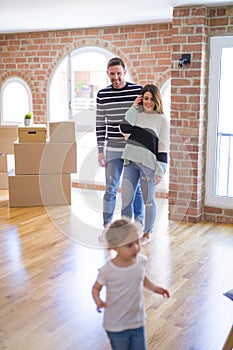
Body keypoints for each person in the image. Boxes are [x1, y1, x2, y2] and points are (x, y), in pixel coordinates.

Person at [92, 218, 170, 350]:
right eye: (129, 245)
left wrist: (156, 288)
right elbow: (96, 288)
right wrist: (98, 301)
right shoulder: (108, 270)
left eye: (137, 242)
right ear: (115, 246)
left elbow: (142, 279)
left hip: (137, 321)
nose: (136, 247)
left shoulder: (141, 262)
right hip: (116, 325)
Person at [96, 57, 144, 239]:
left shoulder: (137, 91)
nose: (115, 77)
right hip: (113, 149)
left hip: (134, 149)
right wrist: (101, 150)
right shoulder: (102, 94)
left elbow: (143, 120)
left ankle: (137, 228)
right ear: (107, 74)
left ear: (124, 72)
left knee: (136, 189)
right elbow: (100, 123)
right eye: (111, 74)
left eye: (118, 73)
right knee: (110, 188)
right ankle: (107, 228)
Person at [120, 84, 169, 246]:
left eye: (151, 99)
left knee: (149, 200)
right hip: (130, 162)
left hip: (148, 165)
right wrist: (134, 107)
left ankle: (147, 234)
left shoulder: (161, 120)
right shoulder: (136, 114)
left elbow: (163, 145)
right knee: (126, 199)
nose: (148, 102)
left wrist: (160, 170)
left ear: (156, 100)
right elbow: (124, 128)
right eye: (145, 98)